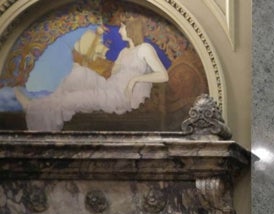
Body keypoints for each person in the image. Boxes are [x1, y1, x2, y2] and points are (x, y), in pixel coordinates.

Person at [18, 19, 170, 132]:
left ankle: (34, 108)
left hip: (121, 96)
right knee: (78, 73)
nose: (119, 30)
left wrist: (136, 80)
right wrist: (93, 48)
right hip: (110, 85)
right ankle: (41, 105)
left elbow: (163, 75)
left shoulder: (145, 48)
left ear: (131, 29)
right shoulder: (124, 52)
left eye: (123, 27)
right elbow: (112, 72)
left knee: (75, 98)